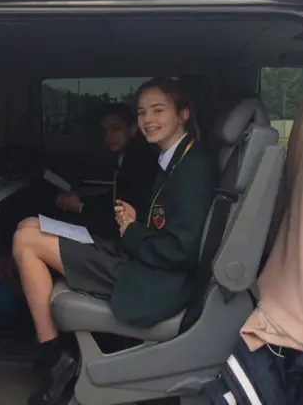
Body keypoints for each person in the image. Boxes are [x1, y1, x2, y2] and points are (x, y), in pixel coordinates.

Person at [12, 77, 216, 405]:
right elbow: (165, 224)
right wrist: (133, 223)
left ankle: (56, 360)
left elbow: (181, 250)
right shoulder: (174, 159)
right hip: (140, 258)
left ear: (183, 114)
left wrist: (132, 230)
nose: (148, 120)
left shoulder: (193, 169)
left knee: (26, 243)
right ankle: (57, 356)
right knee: (28, 229)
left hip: (153, 277)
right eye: (142, 112)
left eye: (158, 110)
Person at [55, 102, 158, 239]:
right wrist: (81, 200)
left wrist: (80, 207)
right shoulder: (127, 157)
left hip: (124, 240)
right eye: (105, 131)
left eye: (116, 129)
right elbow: (112, 199)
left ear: (133, 129)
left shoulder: (140, 163)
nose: (108, 137)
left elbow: (119, 218)